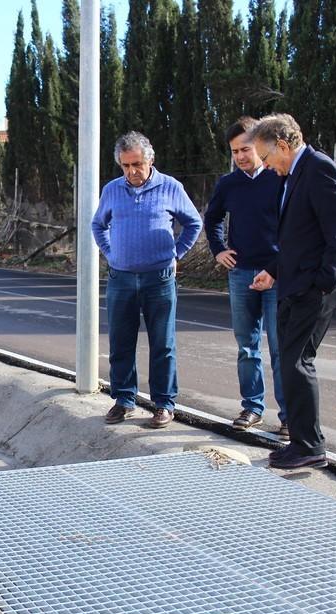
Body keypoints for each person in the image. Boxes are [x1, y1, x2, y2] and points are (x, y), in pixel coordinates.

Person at [248, 113, 336, 469]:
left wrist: (323, 282)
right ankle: (299, 441)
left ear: (283, 145)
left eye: (266, 158)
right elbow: (299, 238)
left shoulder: (319, 169)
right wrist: (274, 272)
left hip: (315, 286)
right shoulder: (294, 175)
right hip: (294, 282)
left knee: (297, 361)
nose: (267, 166)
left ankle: (310, 446)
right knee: (288, 360)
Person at [92, 131, 203, 428]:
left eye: (137, 164)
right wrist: (110, 252)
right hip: (121, 278)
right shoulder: (113, 190)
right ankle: (124, 399)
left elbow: (193, 222)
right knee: (121, 341)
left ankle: (164, 404)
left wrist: (176, 253)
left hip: (160, 278)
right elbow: (98, 224)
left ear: (150, 159)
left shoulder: (170, 187)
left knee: (162, 344)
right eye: (126, 166)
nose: (132, 172)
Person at [205, 117, 288, 440]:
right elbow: (211, 219)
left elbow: (294, 225)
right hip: (240, 274)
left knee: (281, 347)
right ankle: (252, 407)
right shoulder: (228, 184)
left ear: (261, 145)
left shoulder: (278, 178)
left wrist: (279, 265)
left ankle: (288, 417)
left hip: (276, 275)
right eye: (235, 151)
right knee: (247, 346)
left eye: (246, 149)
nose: (240, 156)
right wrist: (218, 250)